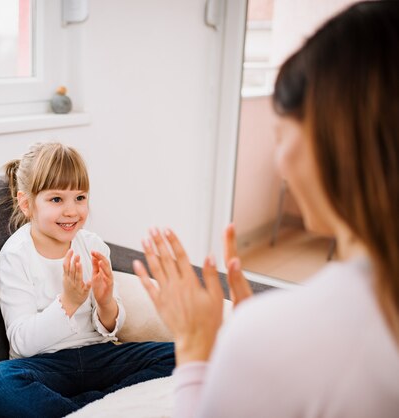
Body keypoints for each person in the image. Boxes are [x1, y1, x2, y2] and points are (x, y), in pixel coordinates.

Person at [133, 2, 399, 417]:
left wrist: (196, 347)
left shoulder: (282, 334)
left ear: (335, 137)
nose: (279, 161)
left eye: (282, 134)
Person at [0, 142, 175, 418]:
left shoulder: (92, 245)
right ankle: (103, 407)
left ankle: (88, 407)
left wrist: (107, 302)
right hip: (46, 366)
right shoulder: (15, 256)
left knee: (184, 354)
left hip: (99, 357)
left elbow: (109, 329)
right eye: (57, 200)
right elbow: (22, 343)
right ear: (27, 204)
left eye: (80, 198)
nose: (72, 211)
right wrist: (68, 302)